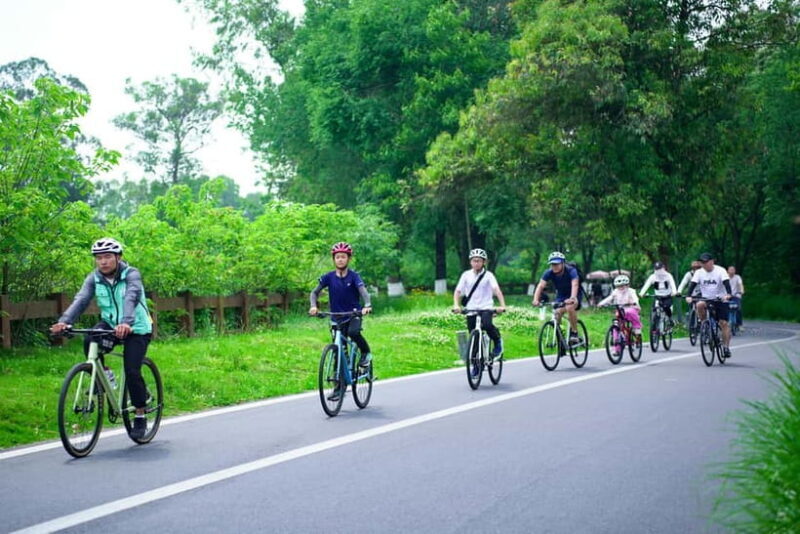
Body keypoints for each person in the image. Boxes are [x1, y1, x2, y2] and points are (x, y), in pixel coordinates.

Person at [50, 238, 153, 440]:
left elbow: (131, 297)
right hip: (110, 324)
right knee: (91, 340)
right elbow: (81, 300)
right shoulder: (94, 278)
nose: (103, 262)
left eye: (107, 257)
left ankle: (140, 413)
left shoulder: (131, 274)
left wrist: (126, 322)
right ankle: (104, 375)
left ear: (118, 257)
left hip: (137, 327)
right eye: (99, 258)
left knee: (132, 370)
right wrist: (64, 321)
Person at [309, 242, 373, 401]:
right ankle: (339, 387)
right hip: (336, 317)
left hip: (353, 315)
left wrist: (367, 305)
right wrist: (313, 306)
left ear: (348, 259)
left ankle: (365, 353)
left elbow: (363, 292)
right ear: (334, 259)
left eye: (343, 257)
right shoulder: (328, 277)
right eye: (337, 257)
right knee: (338, 350)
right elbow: (314, 292)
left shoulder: (354, 276)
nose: (340, 260)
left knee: (353, 332)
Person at [452, 248, 507, 358]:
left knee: (487, 325)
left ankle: (497, 341)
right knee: (474, 337)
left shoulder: (488, 275)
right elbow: (458, 291)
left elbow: (496, 290)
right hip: (471, 308)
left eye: (479, 261)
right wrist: (456, 305)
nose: (476, 263)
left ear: (484, 262)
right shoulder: (466, 275)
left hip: (485, 307)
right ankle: (476, 365)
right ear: (470, 262)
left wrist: (502, 305)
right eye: (474, 260)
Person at [685, 252, 733, 358]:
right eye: (702, 262)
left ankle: (726, 347)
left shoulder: (720, 271)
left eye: (706, 262)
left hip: (720, 299)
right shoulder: (699, 272)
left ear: (712, 262)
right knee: (699, 305)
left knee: (723, 323)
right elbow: (692, 285)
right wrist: (688, 296)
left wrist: (728, 294)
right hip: (706, 298)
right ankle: (704, 325)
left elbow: (726, 283)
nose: (704, 264)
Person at [532, 251, 582, 346]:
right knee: (556, 312)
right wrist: (535, 299)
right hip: (561, 295)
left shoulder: (571, 270)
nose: (554, 266)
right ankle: (560, 335)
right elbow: (540, 286)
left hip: (574, 294)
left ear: (563, 263)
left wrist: (572, 298)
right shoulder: (549, 272)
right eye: (552, 264)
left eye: (557, 264)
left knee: (570, 307)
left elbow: (575, 284)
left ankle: (574, 333)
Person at [639, 261, 678, 330]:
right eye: (656, 269)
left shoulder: (668, 276)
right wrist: (642, 293)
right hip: (658, 297)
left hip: (667, 296)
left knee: (667, 308)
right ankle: (654, 326)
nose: (658, 271)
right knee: (654, 309)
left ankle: (670, 320)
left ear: (663, 268)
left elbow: (672, 285)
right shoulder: (653, 277)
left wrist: (674, 292)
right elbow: (646, 285)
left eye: (659, 269)